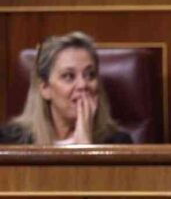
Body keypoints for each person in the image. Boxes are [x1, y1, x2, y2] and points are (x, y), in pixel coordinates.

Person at [0, 31, 132, 145]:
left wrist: (84, 143)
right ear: (45, 88)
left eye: (90, 75)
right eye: (69, 76)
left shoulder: (118, 143)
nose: (83, 85)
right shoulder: (10, 141)